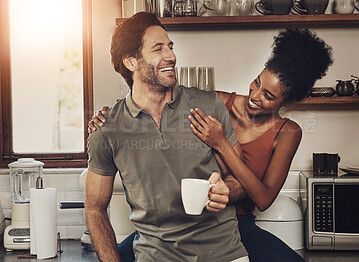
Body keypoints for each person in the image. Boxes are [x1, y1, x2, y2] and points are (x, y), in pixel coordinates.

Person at [89, 29, 333, 261]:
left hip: (236, 225)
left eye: (269, 96)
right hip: (177, 224)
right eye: (257, 83)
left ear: (287, 102)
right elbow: (158, 100)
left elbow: (263, 198)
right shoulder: (217, 102)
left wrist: (221, 143)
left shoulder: (288, 131)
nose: (255, 96)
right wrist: (110, 117)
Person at [85, 12, 249, 262]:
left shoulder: (208, 106)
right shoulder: (108, 129)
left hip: (224, 254)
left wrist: (226, 190)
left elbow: (241, 182)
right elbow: (95, 208)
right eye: (158, 49)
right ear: (131, 61)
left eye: (170, 47)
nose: (171, 56)